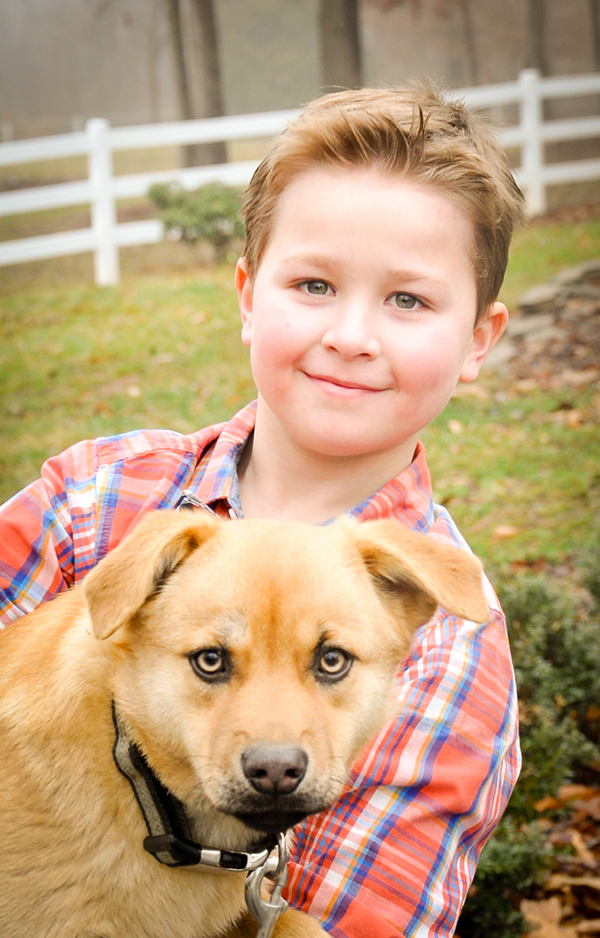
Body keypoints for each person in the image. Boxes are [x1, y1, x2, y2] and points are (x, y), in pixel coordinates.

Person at [0, 84, 524, 937]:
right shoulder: (97, 494)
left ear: (477, 340)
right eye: (314, 283)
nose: (352, 334)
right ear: (248, 295)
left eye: (408, 300)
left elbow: (357, 918)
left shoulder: (452, 649)